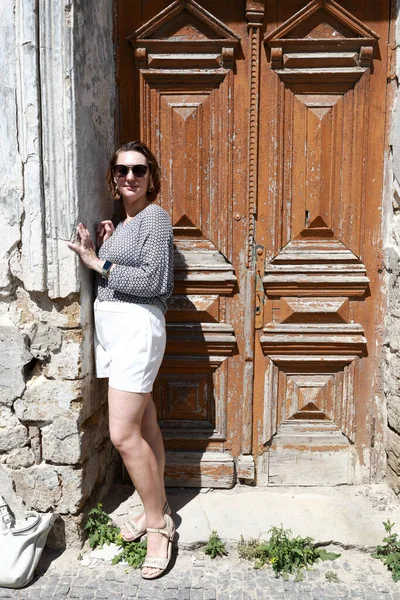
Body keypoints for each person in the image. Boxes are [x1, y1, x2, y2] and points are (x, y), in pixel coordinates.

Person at [67, 141, 175, 579]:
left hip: (136, 329)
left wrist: (97, 262)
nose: (130, 177)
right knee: (145, 426)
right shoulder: (129, 223)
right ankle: (159, 504)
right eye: (122, 170)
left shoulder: (155, 217)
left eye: (139, 170)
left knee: (122, 435)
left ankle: (158, 526)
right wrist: (110, 245)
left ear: (152, 177)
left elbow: (153, 279)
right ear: (113, 177)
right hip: (116, 329)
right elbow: (127, 264)